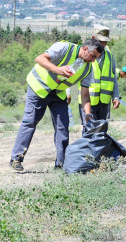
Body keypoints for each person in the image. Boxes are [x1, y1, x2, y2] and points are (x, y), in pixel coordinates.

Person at [10, 39, 104, 171]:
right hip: (38, 87)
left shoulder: (87, 69)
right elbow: (39, 58)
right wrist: (57, 70)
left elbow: (85, 95)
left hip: (58, 93)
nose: (93, 60)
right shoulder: (64, 47)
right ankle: (16, 159)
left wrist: (88, 114)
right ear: (84, 49)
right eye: (93, 56)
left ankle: (61, 164)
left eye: (96, 58)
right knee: (30, 122)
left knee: (62, 127)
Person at [77, 25, 120, 130]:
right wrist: (68, 92)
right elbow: (71, 75)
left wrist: (116, 96)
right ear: (93, 38)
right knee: (89, 130)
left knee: (101, 131)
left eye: (105, 41)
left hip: (104, 103)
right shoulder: (84, 54)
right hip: (87, 100)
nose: (103, 44)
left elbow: (113, 78)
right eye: (100, 41)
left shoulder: (110, 57)